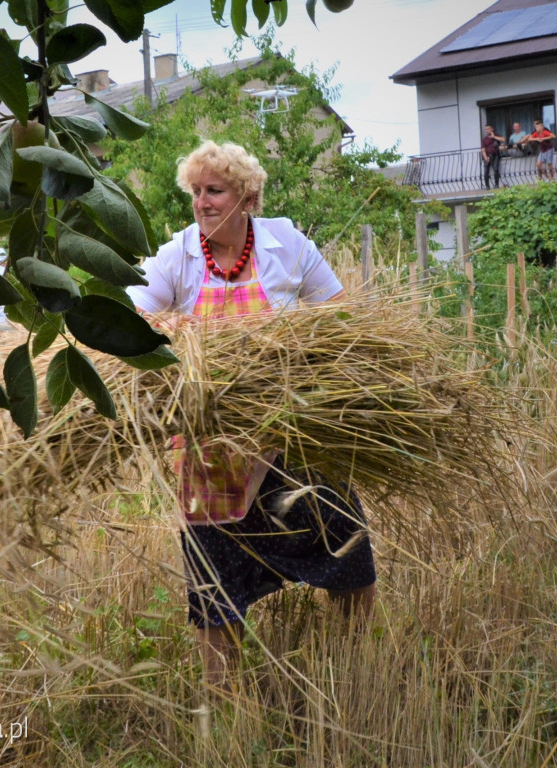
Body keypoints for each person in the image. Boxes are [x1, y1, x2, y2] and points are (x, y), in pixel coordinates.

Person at [127, 141, 377, 689]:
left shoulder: (284, 242)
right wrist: (180, 333)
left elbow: (338, 317)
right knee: (216, 586)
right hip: (211, 449)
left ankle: (357, 672)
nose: (202, 203)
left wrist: (292, 356)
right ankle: (224, 702)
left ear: (248, 197)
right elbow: (134, 319)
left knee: (350, 552)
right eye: (195, 192)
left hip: (293, 436)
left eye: (214, 191)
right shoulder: (177, 255)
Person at [481, 124, 504, 189]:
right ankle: (487, 186)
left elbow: (503, 139)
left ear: (492, 129)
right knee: (486, 171)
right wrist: (485, 157)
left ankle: (496, 185)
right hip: (487, 156)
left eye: (488, 129)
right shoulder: (484, 139)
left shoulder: (496, 136)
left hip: (495, 155)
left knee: (496, 169)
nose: (487, 130)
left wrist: (494, 137)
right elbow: (483, 149)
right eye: (486, 129)